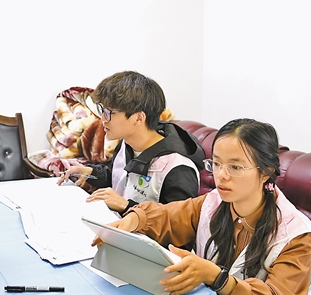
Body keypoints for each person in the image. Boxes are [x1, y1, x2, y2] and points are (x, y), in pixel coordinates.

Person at [95, 118, 311, 295]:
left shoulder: (296, 235)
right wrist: (133, 221)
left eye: (235, 167)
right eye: (216, 163)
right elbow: (171, 216)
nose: (221, 176)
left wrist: (218, 278)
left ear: (266, 172)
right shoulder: (215, 202)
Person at [57, 71, 204, 214]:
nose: (103, 119)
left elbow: (180, 225)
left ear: (139, 118)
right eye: (102, 110)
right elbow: (123, 181)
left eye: (109, 113)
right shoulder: (126, 143)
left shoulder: (177, 169)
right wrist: (91, 173)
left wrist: (126, 206)